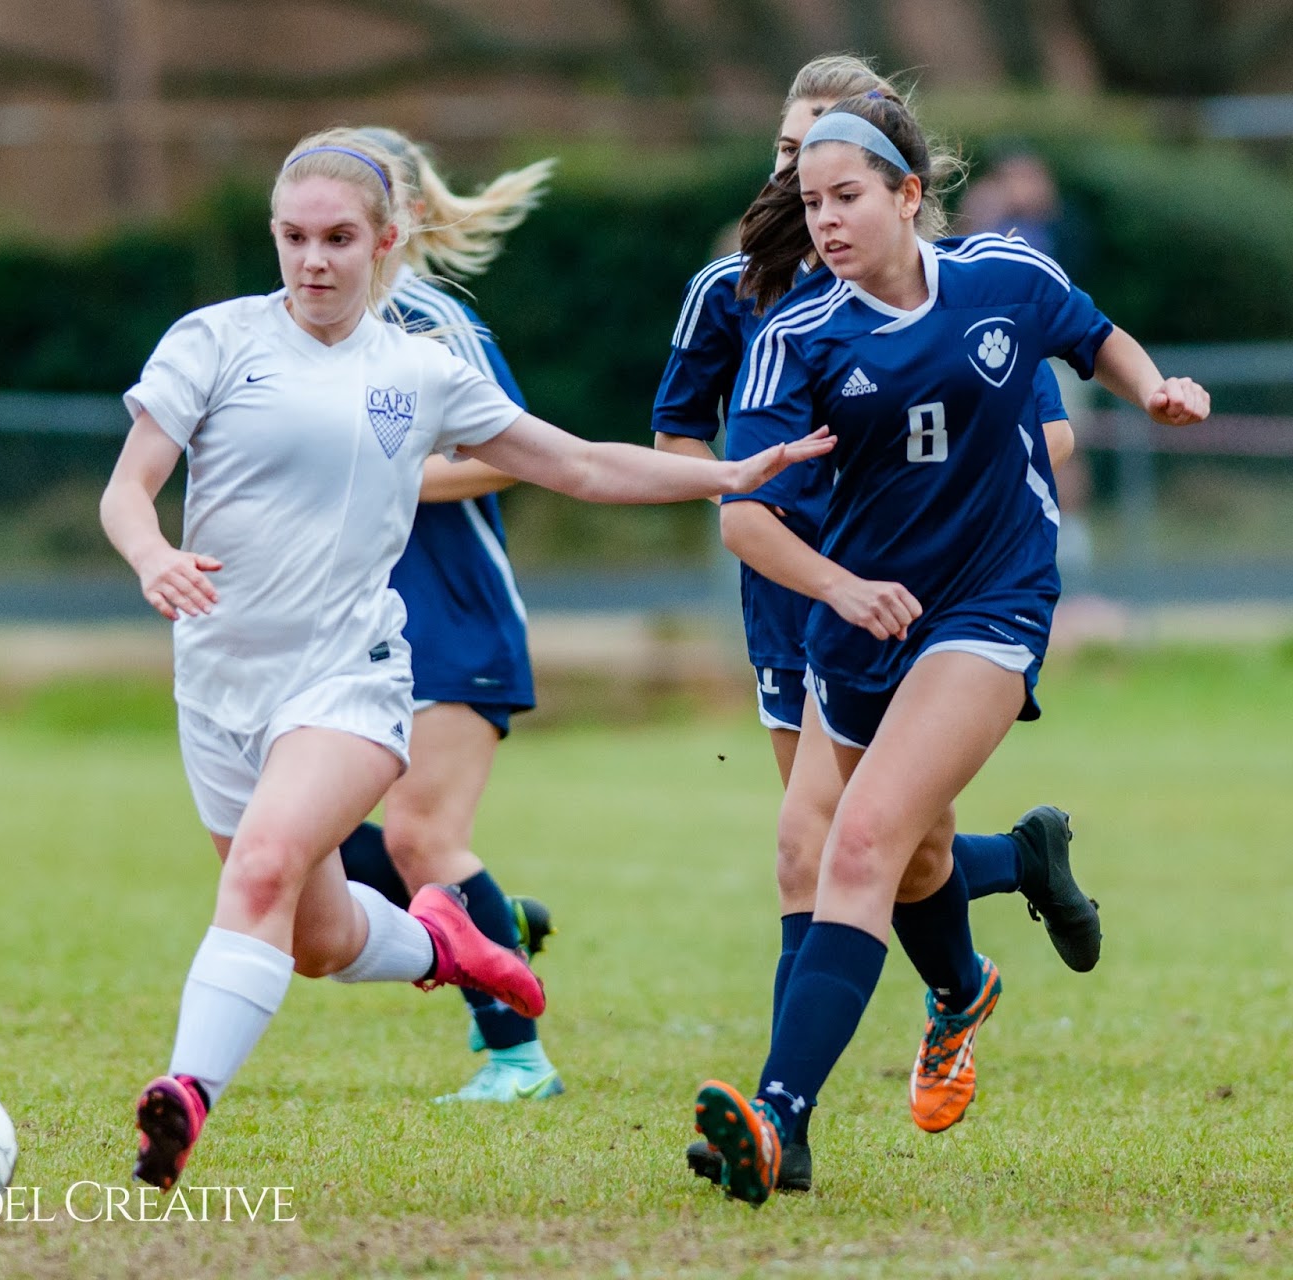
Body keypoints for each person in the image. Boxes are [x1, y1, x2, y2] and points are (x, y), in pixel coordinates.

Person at [99, 128, 836, 1191]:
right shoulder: (211, 341)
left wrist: (732, 472)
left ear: (385, 240)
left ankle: (185, 1095)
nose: (314, 260)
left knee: (262, 867)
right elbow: (129, 486)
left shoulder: (418, 366)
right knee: (310, 935)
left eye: (339, 238)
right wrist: (152, 551)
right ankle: (448, 942)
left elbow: (576, 464)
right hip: (216, 686)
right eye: (294, 237)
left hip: (348, 680)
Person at [689, 92, 1208, 1207]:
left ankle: (779, 1119)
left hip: (993, 600)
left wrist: (1154, 386)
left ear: (907, 196)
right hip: (861, 620)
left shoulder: (1001, 277)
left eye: (845, 197)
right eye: (808, 201)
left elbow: (1094, 333)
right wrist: (839, 583)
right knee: (912, 864)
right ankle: (1005, 894)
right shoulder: (794, 336)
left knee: (852, 841)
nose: (822, 220)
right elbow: (741, 515)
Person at [329, 125, 566, 1104]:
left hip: (452, 617)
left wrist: (390, 476)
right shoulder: (301, 333)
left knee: (421, 832)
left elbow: (513, 448)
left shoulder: (431, 324)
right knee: (316, 841)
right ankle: (487, 912)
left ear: (402, 218)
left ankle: (520, 1058)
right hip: (347, 626)